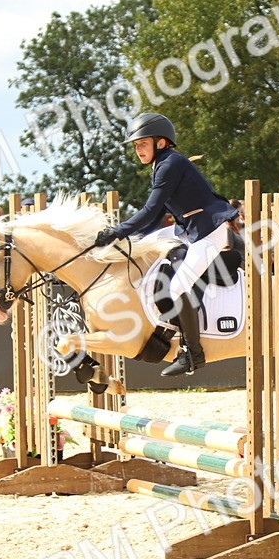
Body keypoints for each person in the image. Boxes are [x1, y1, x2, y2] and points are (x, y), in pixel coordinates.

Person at [91, 112, 239, 376]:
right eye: (136, 146)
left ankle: (193, 353)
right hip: (187, 230)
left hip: (208, 233)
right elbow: (157, 217)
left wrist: (118, 231)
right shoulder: (162, 164)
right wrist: (129, 240)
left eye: (142, 144)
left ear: (161, 142)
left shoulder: (170, 164)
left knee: (179, 285)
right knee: (147, 245)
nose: (138, 150)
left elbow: (149, 211)